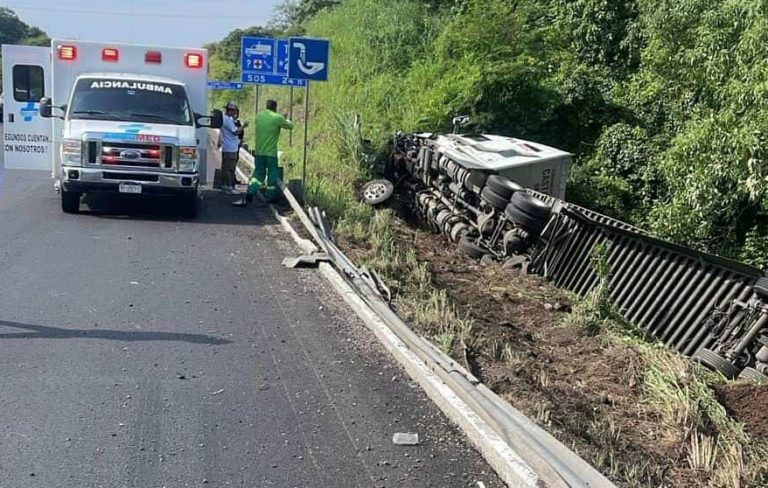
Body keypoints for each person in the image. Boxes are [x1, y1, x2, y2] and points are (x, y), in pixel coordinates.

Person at [233, 99, 293, 206]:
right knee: (272, 175)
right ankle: (270, 196)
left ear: (266, 106)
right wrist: (285, 118)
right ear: (275, 107)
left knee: (258, 175)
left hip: (259, 152)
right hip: (271, 153)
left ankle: (250, 192)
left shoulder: (259, 116)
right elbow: (290, 126)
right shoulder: (277, 117)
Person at [219, 101, 244, 194]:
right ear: (232, 111)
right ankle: (229, 187)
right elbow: (235, 132)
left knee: (225, 167)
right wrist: (243, 127)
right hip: (231, 148)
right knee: (230, 168)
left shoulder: (225, 119)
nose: (235, 113)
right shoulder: (228, 120)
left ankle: (225, 185)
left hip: (227, 147)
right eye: (235, 111)